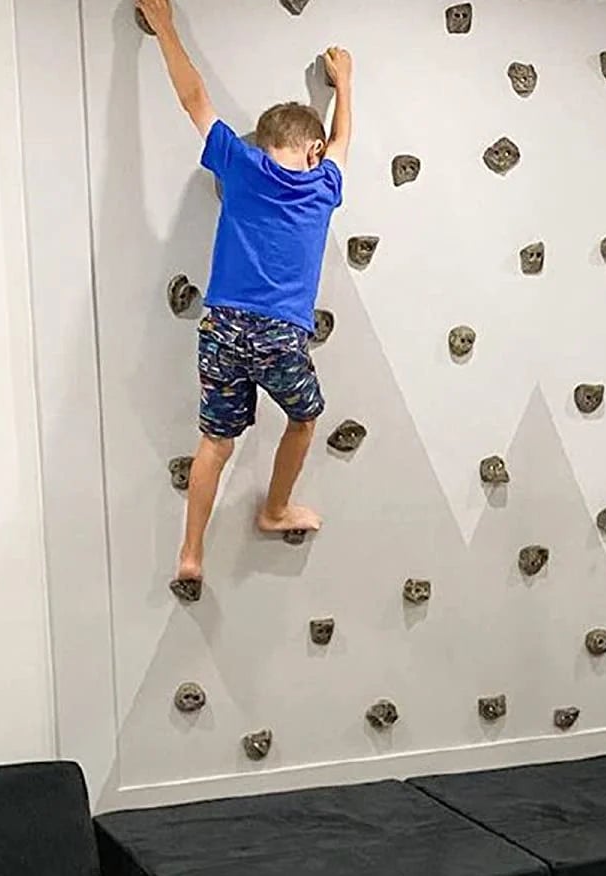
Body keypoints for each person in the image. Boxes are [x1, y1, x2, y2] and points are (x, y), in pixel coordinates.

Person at [137, 0, 352, 603]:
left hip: (223, 327)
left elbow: (194, 99)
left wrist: (166, 29)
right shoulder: (322, 184)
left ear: (266, 144)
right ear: (311, 151)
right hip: (280, 336)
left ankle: (190, 553)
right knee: (304, 419)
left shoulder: (240, 164)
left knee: (216, 441)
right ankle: (275, 508)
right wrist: (345, 84)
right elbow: (343, 138)